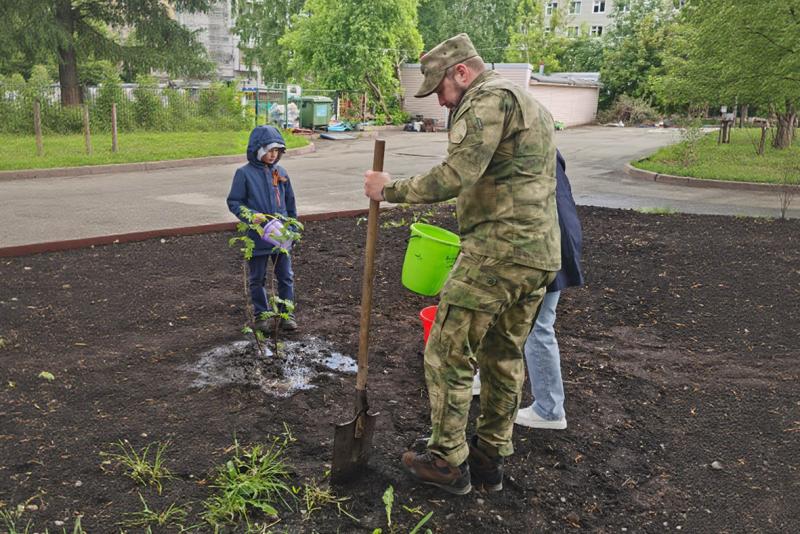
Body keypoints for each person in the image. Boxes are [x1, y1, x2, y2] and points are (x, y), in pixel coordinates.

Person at [364, 33, 560, 495]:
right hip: (538, 256)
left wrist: (388, 190)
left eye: (440, 90)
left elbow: (457, 174)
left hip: (497, 253)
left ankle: (447, 460)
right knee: (503, 355)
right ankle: (490, 457)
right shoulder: (528, 102)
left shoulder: (486, 100)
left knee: (446, 351)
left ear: (461, 72)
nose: (439, 100)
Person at [473, 150, 584, 430]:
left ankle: (549, 410)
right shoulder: (536, 142)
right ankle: (487, 376)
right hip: (554, 235)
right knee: (499, 311)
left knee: (539, 325)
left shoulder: (517, 147)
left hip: (547, 242)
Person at [227, 125, 298, 332]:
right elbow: (234, 202)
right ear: (257, 149)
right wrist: (250, 215)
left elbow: (290, 203)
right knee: (257, 278)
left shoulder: (281, 172)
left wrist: (292, 228)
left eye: (277, 151)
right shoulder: (244, 174)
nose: (273, 155)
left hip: (281, 236)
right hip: (257, 237)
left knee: (285, 276)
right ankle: (261, 316)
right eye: (268, 150)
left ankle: (287, 314)